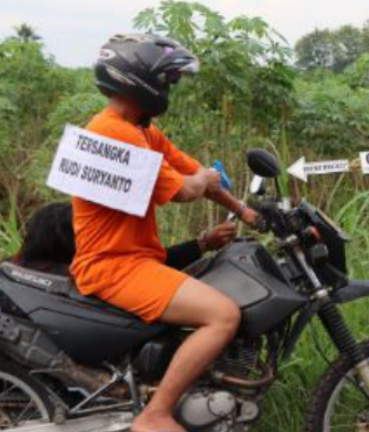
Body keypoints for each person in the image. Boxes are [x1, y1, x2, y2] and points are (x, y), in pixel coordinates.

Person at [70, 34, 258, 432]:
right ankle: (155, 416)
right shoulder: (113, 132)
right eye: (168, 81)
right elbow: (188, 188)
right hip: (114, 267)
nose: (169, 88)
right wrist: (205, 178)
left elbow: (194, 170)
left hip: (135, 261)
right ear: (139, 79)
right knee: (223, 315)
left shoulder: (140, 130)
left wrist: (243, 210)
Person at [12, 202, 237, 275]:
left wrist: (202, 244)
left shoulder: (15, 268)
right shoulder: (76, 277)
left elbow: (144, 264)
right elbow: (142, 269)